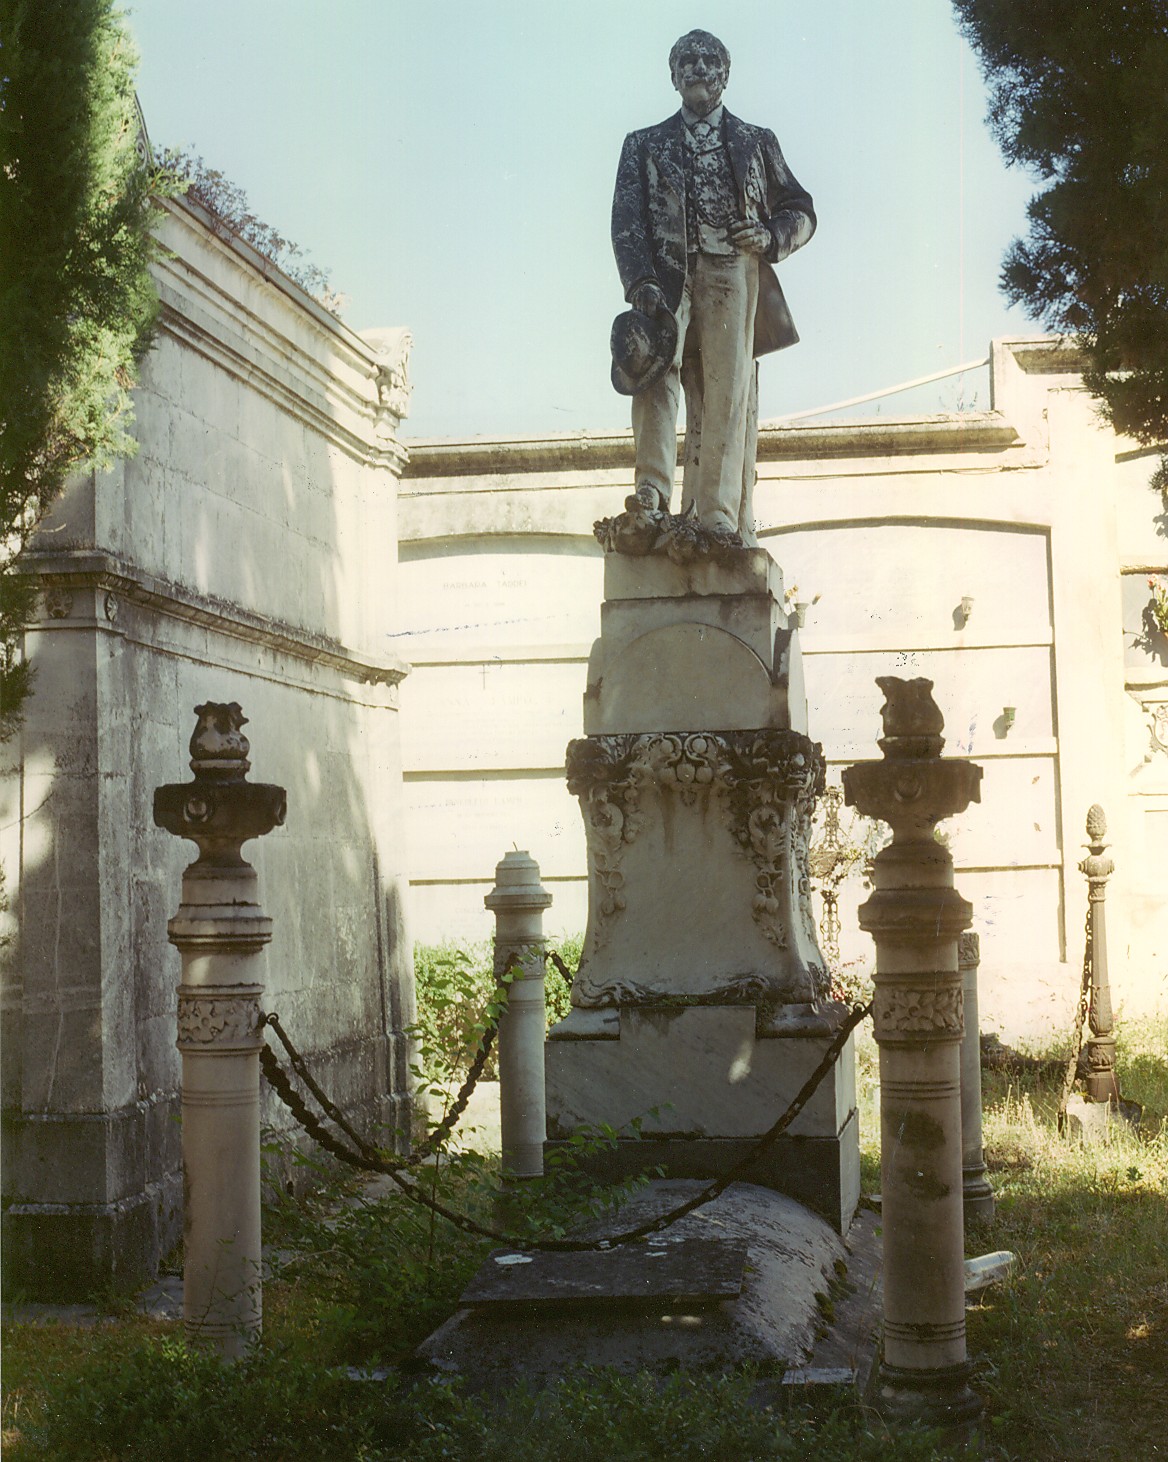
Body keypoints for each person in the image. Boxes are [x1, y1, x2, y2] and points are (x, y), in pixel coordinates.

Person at [611, 29, 815, 546]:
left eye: (709, 60)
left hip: (732, 271)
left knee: (728, 385)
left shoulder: (756, 140)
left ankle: (718, 512)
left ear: (725, 73)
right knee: (654, 373)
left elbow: (801, 210)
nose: (698, 68)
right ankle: (651, 493)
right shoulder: (644, 143)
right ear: (674, 75)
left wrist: (771, 236)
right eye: (687, 61)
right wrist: (640, 281)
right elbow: (627, 219)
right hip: (666, 277)